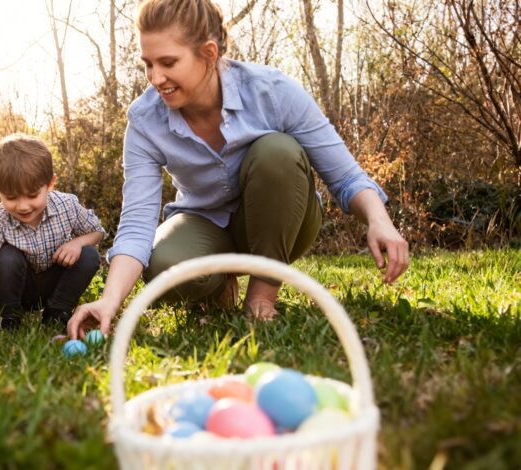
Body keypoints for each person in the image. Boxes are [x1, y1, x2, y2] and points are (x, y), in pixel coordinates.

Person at [67, 0, 409, 339]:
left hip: (285, 218)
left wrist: (380, 220)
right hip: (204, 221)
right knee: (165, 266)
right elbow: (138, 221)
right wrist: (109, 301)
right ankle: (221, 285)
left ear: (209, 53)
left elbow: (346, 177)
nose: (156, 78)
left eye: (168, 62)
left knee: (276, 151)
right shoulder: (144, 120)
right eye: (148, 64)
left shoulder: (272, 92)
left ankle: (262, 296)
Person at [0, 133, 106, 330]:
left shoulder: (66, 206)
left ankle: (57, 312)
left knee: (88, 255)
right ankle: (8, 315)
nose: (23, 206)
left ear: (50, 184)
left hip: (55, 284)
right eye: (11, 197)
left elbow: (97, 231)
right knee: (7, 256)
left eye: (32, 195)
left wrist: (77, 243)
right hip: (20, 288)